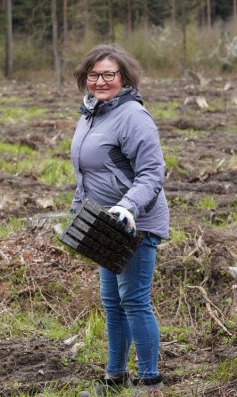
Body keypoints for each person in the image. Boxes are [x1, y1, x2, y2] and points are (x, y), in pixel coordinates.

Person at [70, 44, 169, 397]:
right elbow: (87, 174)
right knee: (112, 303)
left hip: (135, 223)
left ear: (124, 78)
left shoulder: (133, 116)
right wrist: (78, 212)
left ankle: (150, 383)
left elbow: (152, 173)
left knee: (134, 301)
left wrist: (128, 207)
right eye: (93, 75)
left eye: (108, 74)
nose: (100, 81)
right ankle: (115, 379)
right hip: (105, 224)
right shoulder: (91, 114)